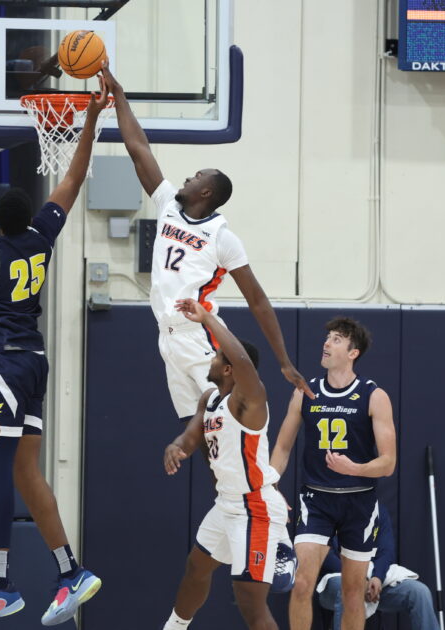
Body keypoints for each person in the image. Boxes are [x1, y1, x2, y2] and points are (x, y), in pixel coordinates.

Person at [0, 73, 109, 626]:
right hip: (33, 362)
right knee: (27, 474)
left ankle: (1, 585)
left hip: (2, 362)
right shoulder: (40, 237)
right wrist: (92, 122)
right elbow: (73, 182)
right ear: (26, 218)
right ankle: (69, 572)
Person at [98, 62, 313, 420]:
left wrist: (284, 362)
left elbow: (257, 300)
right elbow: (138, 148)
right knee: (197, 431)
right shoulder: (168, 204)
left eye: (196, 177)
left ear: (207, 191)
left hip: (200, 337)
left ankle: (257, 478)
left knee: (225, 425)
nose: (187, 178)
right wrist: (119, 96)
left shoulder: (223, 239)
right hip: (167, 337)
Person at [160, 298, 292, 630]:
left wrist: (207, 318)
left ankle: (281, 546)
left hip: (256, 506)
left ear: (230, 367)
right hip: (228, 503)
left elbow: (244, 358)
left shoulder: (250, 400)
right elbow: (192, 435)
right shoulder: (211, 398)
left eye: (218, 356)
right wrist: (177, 447)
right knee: (196, 568)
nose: (212, 359)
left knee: (249, 602)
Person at [270, 317, 397, 630]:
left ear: (353, 352)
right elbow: (283, 447)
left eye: (336, 339)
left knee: (353, 593)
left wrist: (355, 468)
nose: (327, 343)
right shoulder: (306, 392)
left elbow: (389, 462)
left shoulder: (373, 395)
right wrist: (269, 485)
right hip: (317, 500)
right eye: (327, 338)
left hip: (359, 502)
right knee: (301, 584)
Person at [316, 507, 439, 630]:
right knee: (351, 589)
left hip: (373, 580)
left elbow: (386, 552)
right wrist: (357, 578)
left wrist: (378, 577)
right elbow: (325, 556)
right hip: (336, 580)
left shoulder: (379, 511)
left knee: (419, 592)